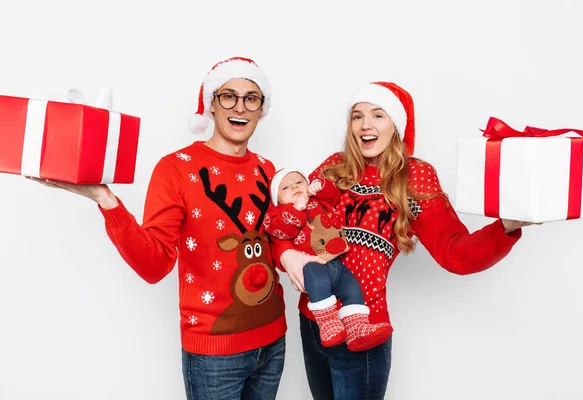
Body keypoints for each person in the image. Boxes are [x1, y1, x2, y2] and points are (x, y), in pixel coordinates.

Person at [28, 56, 317, 400]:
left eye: (251, 98)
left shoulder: (269, 171)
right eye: (228, 95)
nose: (239, 106)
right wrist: (106, 201)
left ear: (261, 109)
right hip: (213, 353)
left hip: (273, 339)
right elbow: (154, 265)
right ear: (211, 104)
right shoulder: (176, 169)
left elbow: (281, 237)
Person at [272, 81, 533, 400]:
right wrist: (287, 256)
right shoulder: (333, 168)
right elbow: (283, 221)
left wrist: (505, 227)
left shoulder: (414, 177)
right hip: (313, 320)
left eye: (378, 115)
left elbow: (456, 253)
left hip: (362, 332)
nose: (365, 125)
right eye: (358, 116)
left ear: (396, 124)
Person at [265, 168, 393, 351]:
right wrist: (296, 210)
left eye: (299, 182)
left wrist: (320, 187)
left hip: (336, 263)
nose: (294, 187)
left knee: (352, 287)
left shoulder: (319, 202)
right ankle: (328, 324)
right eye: (286, 187)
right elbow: (280, 231)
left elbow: (334, 196)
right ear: (277, 200)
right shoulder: (280, 213)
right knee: (319, 287)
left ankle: (357, 327)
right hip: (312, 265)